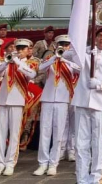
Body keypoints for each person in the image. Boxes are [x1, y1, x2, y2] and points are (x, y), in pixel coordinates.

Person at [65, 25, 102, 184]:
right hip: (83, 102)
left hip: (101, 104)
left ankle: (96, 177)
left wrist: (99, 84)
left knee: (98, 143)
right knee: (81, 143)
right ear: (94, 37)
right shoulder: (85, 54)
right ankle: (82, 178)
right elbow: (66, 55)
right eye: (99, 35)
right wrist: (83, 46)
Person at [34, 34, 78, 176]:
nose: (64, 47)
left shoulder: (71, 63)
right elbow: (41, 67)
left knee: (58, 133)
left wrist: (65, 59)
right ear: (56, 45)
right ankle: (42, 163)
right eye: (61, 44)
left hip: (63, 100)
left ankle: (53, 164)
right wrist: (55, 58)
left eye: (66, 45)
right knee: (45, 132)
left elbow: (81, 69)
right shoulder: (49, 60)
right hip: (47, 99)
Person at [0, 38, 36, 176]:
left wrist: (17, 62)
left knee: (14, 134)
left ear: (27, 50)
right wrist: (7, 62)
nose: (20, 51)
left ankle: (10, 163)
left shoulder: (29, 64)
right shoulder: (7, 63)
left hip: (17, 101)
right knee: (1, 133)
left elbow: (31, 75)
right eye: (18, 49)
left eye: (23, 49)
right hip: (3, 100)